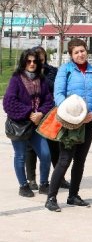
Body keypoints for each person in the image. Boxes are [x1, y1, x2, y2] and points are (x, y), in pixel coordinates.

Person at [45, 39, 92, 213]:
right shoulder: (66, 70)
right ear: (71, 55)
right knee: (65, 159)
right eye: (77, 52)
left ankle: (73, 195)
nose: (81, 54)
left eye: (83, 51)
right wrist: (70, 114)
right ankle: (51, 197)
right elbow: (58, 93)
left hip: (89, 121)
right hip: (70, 121)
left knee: (80, 160)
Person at [3, 49, 54, 197]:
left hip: (37, 124)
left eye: (34, 61)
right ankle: (23, 186)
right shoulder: (16, 79)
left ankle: (44, 184)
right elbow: (9, 102)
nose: (31, 64)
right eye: (28, 61)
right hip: (20, 125)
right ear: (23, 62)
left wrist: (41, 113)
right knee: (20, 156)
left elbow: (48, 100)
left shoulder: (42, 79)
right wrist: (29, 113)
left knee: (45, 154)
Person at [25, 46, 63, 190]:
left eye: (41, 59)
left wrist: (41, 76)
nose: (38, 62)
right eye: (36, 59)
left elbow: (55, 87)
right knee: (31, 148)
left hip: (49, 112)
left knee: (54, 146)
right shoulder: (26, 73)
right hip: (32, 114)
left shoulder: (52, 71)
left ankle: (59, 177)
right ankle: (31, 179)